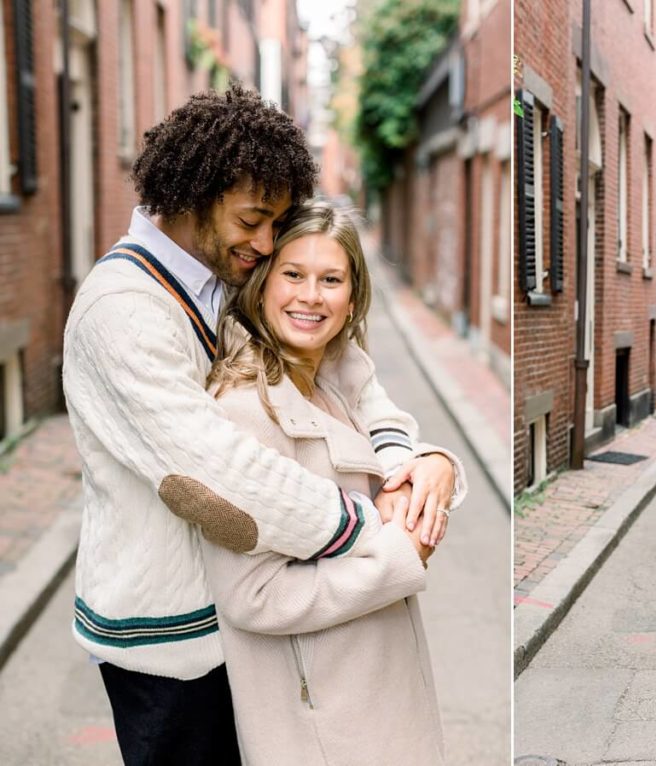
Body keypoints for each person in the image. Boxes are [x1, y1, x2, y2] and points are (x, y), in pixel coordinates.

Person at [63, 84, 464, 765]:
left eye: (276, 224)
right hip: (169, 648)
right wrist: (376, 526)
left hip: (236, 637)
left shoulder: (218, 279)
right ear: (194, 192)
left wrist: (412, 459)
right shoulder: (121, 311)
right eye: (253, 218)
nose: (265, 242)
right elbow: (220, 470)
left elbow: (348, 370)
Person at [199, 200, 448, 764]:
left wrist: (435, 461)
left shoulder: (333, 380)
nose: (310, 296)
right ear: (262, 285)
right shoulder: (244, 411)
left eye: (330, 279)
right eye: (293, 274)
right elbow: (251, 598)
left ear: (352, 297)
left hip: (382, 689)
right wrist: (398, 558)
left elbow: (392, 455)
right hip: (323, 723)